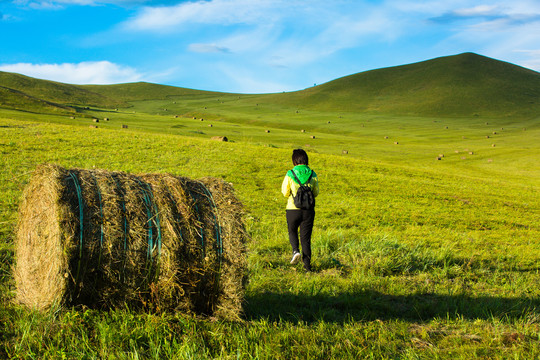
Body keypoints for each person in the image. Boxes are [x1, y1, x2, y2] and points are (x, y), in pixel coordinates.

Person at [281, 149, 319, 272]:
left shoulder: (290, 173)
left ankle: (295, 251)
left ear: (294, 160)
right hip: (308, 210)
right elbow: (316, 192)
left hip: (293, 209)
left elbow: (285, 192)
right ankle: (307, 267)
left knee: (292, 231)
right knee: (306, 238)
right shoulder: (312, 174)